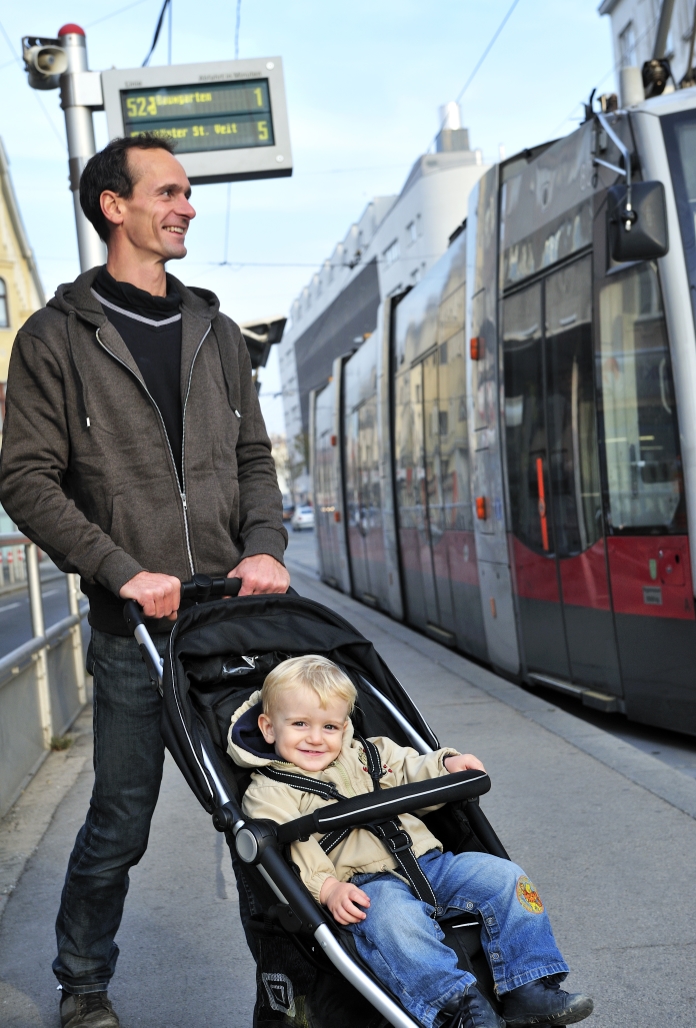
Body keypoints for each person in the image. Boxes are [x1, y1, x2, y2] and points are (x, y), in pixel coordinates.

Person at [0, 134, 289, 1028]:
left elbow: (252, 459)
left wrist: (268, 543)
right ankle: (82, 981)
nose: (187, 206)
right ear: (112, 207)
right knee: (121, 823)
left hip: (233, 624)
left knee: (269, 815)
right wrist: (123, 573)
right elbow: (24, 478)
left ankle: (288, 986)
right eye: (168, 192)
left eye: (188, 192)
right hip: (137, 635)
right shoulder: (55, 339)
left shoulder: (214, 331)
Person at [228, 656, 594, 1028]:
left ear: (345, 726)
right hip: (365, 885)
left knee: (505, 877)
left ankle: (527, 985)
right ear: (269, 728)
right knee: (395, 921)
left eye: (330, 726)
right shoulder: (270, 791)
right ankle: (457, 1004)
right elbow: (293, 852)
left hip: (429, 862)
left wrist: (447, 765)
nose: (315, 738)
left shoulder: (373, 754)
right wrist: (328, 888)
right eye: (300, 724)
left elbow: (411, 769)